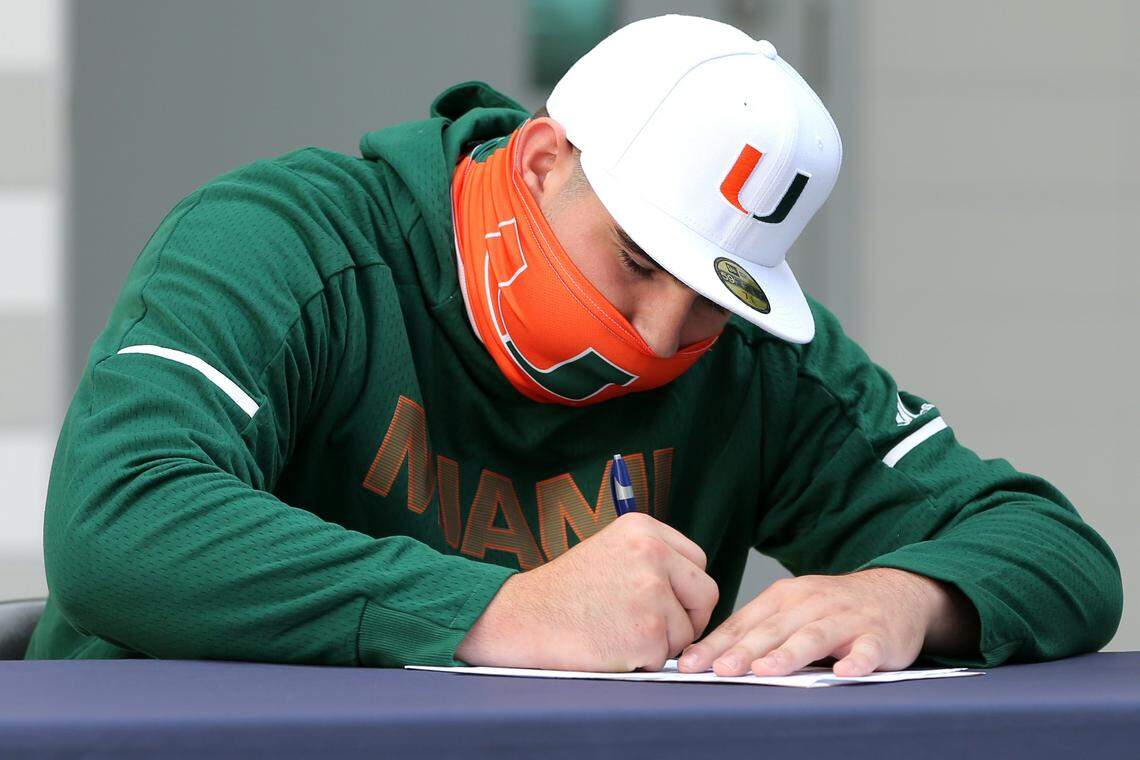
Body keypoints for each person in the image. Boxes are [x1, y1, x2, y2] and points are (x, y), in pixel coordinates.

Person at [25, 15, 1120, 677]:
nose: (658, 334)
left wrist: (906, 598)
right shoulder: (290, 241)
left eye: (709, 298)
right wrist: (495, 610)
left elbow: (1057, 551)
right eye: (640, 263)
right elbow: (117, 516)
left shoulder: (754, 357)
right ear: (543, 158)